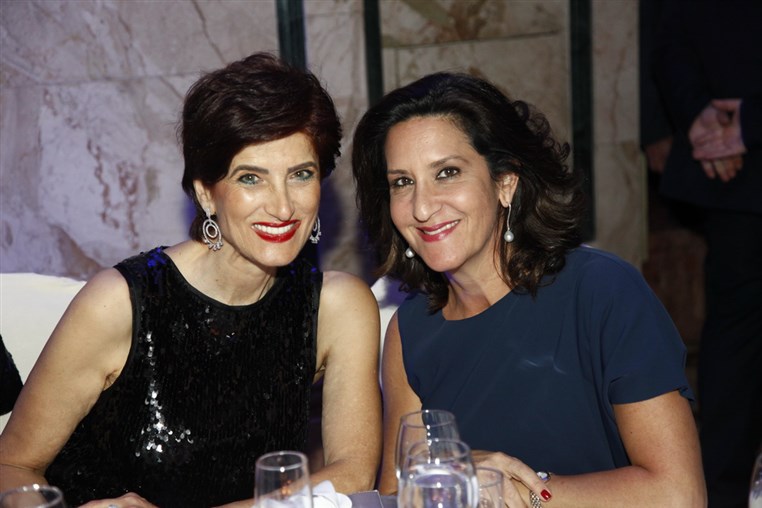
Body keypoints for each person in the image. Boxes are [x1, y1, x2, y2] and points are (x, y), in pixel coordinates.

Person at [0, 53, 382, 507]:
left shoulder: (338, 307)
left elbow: (353, 474)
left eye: (301, 174)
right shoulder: (122, 302)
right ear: (206, 193)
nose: (283, 207)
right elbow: (11, 466)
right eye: (251, 178)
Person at [352, 72, 706, 507]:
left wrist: (518, 490)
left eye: (447, 172)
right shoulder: (409, 332)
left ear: (505, 182)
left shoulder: (602, 291)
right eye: (402, 182)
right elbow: (398, 495)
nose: (422, 207)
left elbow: (680, 494)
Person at [650, 2, 762, 506]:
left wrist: (714, 121)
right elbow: (669, 25)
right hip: (737, 176)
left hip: (734, 161)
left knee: (734, 341)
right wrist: (705, 121)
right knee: (735, 345)